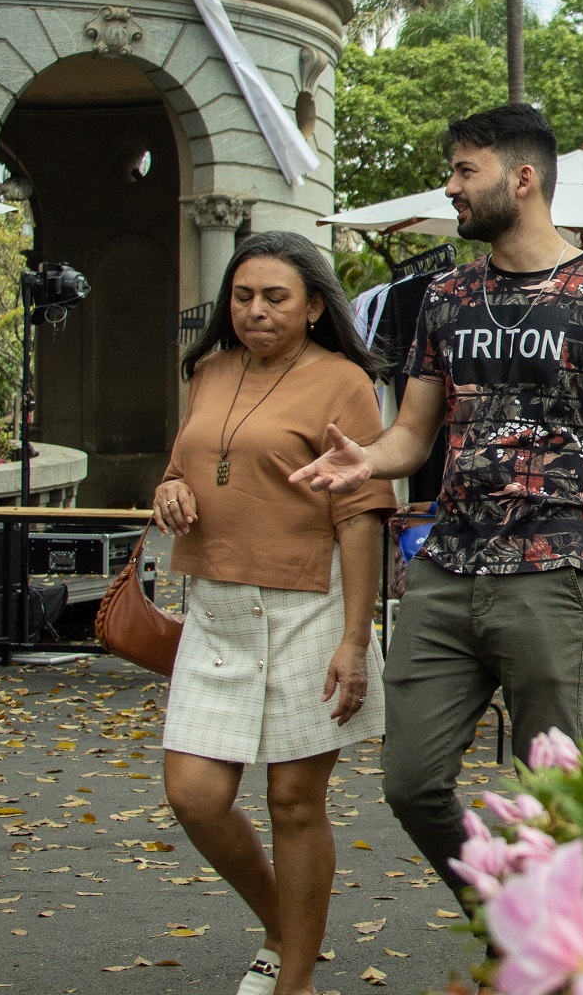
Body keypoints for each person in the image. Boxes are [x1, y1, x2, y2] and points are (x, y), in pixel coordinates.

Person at [288, 104, 583, 908]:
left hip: (556, 565)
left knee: (552, 793)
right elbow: (412, 433)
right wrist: (370, 459)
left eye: (466, 172)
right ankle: (509, 915)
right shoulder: (447, 297)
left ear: (521, 179)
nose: (453, 188)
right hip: (448, 564)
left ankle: (569, 950)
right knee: (410, 781)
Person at [155, 232, 395, 995]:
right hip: (217, 610)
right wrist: (169, 488)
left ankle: (295, 979)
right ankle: (282, 923)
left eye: (276, 297)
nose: (255, 310)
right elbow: (185, 460)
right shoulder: (209, 370)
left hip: (309, 607)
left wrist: (356, 639)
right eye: (243, 295)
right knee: (194, 795)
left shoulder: (344, 383)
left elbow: (360, 516)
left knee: (294, 802)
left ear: (315, 306)